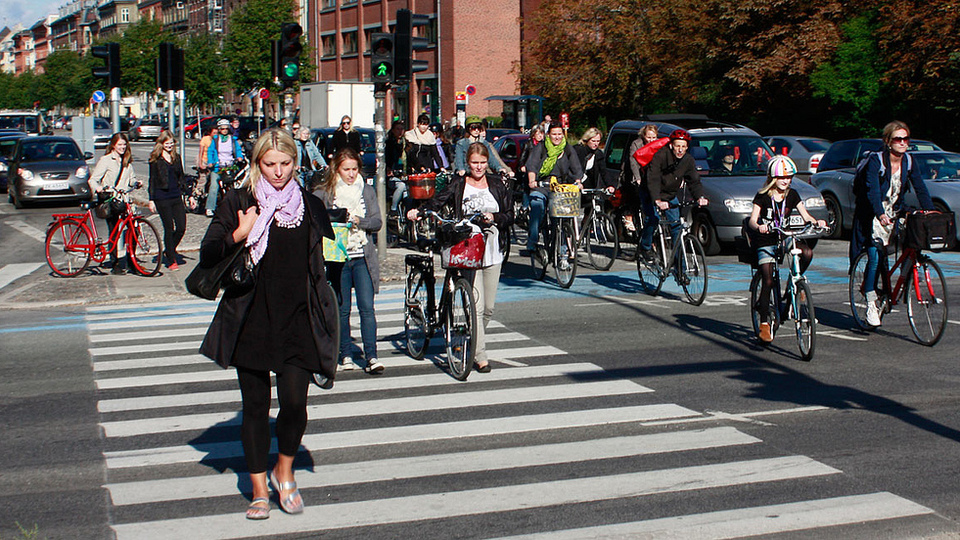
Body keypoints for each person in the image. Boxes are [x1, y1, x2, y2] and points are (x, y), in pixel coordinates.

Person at [198, 128, 339, 520]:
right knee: (256, 408)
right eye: (269, 164)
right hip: (252, 318)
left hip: (299, 317)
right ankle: (260, 491)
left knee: (295, 404)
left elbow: (326, 263)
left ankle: (285, 469)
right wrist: (239, 235)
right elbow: (208, 252)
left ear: (296, 162)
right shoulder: (240, 201)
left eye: (285, 163)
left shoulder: (310, 205)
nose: (278, 172)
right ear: (257, 163)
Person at [407, 143, 513, 373]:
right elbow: (438, 201)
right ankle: (480, 355)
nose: (479, 167)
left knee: (488, 309)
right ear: (468, 162)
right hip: (467, 250)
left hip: (493, 250)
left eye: (483, 163)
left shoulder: (496, 184)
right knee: (475, 305)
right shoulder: (459, 184)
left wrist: (493, 217)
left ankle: (470, 341)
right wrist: (421, 210)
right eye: (475, 163)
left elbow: (509, 214)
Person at [850, 120, 934, 327]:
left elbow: (920, 188)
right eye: (898, 139)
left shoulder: (909, 161)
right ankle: (870, 301)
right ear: (888, 141)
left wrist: (930, 209)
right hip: (872, 213)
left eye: (906, 139)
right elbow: (873, 191)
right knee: (874, 256)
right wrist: (879, 214)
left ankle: (901, 283)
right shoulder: (876, 161)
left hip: (895, 210)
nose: (903, 143)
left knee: (911, 242)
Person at [314, 148, 384, 374]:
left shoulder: (367, 191)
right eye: (346, 170)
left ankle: (371, 356)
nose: (351, 174)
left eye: (354, 169)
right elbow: (315, 214)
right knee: (342, 310)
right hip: (339, 257)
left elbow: (377, 222)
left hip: (362, 255)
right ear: (337, 169)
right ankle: (345, 354)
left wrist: (359, 221)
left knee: (367, 307)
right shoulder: (327, 192)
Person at [748, 155, 827, 342]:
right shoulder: (762, 196)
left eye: (789, 177)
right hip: (766, 240)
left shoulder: (793, 195)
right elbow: (752, 219)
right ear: (773, 178)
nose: (786, 181)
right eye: (782, 177)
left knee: (806, 252)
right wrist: (759, 226)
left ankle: (793, 284)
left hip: (785, 237)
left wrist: (817, 222)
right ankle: (765, 323)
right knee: (767, 280)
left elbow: (806, 215)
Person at [88, 133, 152, 275]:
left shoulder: (127, 161)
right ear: (113, 145)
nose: (122, 147)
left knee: (133, 229)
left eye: (124, 145)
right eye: (119, 145)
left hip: (125, 201)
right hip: (111, 201)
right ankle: (115, 262)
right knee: (114, 232)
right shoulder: (106, 160)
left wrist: (136, 183)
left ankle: (132, 261)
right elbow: (93, 180)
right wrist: (98, 188)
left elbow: (131, 179)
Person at [640, 129, 708, 263]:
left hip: (670, 195)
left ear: (687, 147)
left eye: (683, 147)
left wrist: (700, 197)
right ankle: (645, 247)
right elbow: (652, 178)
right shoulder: (660, 155)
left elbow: (694, 181)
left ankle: (680, 266)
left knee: (677, 227)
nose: (680, 150)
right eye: (677, 146)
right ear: (671, 145)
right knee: (653, 219)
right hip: (651, 192)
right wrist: (657, 200)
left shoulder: (688, 160)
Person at [522, 124, 583, 256]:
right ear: (548, 135)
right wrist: (532, 181)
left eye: (559, 134)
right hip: (542, 185)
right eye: (554, 134)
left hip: (560, 188)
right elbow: (532, 166)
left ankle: (562, 251)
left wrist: (578, 182)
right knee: (537, 206)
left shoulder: (567, 149)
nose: (557, 137)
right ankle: (533, 240)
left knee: (561, 218)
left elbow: (576, 167)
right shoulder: (541, 147)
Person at [148, 131, 187, 271]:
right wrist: (151, 199)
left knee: (181, 227)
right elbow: (152, 180)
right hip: (161, 197)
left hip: (176, 195)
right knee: (169, 228)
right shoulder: (155, 159)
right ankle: (171, 259)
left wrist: (187, 194)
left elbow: (181, 177)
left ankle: (169, 249)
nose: (170, 145)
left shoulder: (176, 158)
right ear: (162, 143)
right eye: (167, 143)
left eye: (171, 142)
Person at [624, 124, 660, 233]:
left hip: (652, 176)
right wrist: (637, 178)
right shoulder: (636, 144)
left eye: (653, 138)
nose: (651, 140)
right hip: (637, 173)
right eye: (648, 137)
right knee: (636, 196)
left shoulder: (659, 145)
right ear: (644, 136)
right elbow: (633, 162)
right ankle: (630, 217)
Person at [206, 118, 245, 217]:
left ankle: (235, 206)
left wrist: (239, 157)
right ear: (219, 129)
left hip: (230, 166)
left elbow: (238, 149)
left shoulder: (232, 140)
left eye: (226, 129)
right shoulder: (215, 140)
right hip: (218, 167)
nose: (224, 130)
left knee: (234, 186)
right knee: (214, 186)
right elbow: (210, 152)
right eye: (222, 129)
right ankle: (210, 208)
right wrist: (211, 162)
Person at [574, 127, 614, 193]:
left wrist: (609, 185)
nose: (596, 144)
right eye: (593, 141)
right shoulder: (578, 150)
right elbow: (573, 169)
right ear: (587, 140)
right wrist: (577, 182)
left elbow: (603, 171)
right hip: (576, 184)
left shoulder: (598, 154)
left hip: (589, 187)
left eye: (598, 141)